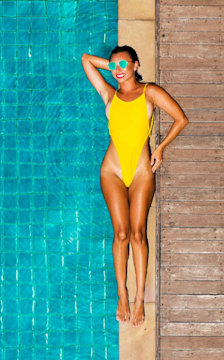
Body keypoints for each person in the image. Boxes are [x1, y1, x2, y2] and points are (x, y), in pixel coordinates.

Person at [81, 46, 188, 327]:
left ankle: (140, 297)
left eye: (124, 64)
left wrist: (161, 148)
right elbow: (86, 61)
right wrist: (116, 66)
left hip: (141, 171)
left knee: (138, 234)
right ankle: (122, 293)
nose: (117, 69)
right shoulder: (109, 94)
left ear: (136, 65)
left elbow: (181, 119)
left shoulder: (149, 92)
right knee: (121, 233)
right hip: (112, 171)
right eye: (114, 65)